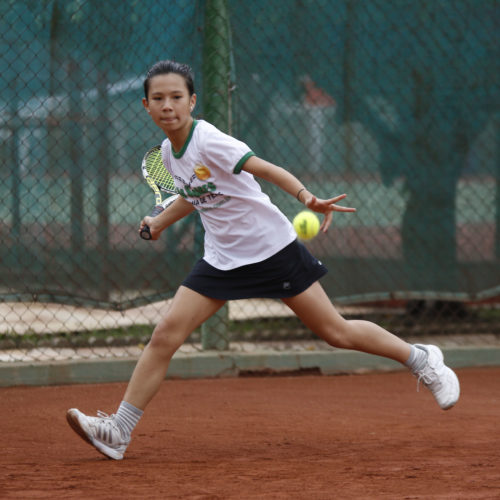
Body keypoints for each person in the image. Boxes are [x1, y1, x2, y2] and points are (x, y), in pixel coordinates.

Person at [66, 60, 460, 460]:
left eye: (176, 97)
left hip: (272, 251)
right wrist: (160, 222)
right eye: (159, 98)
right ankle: (119, 430)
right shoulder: (168, 153)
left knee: (336, 332)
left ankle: (422, 359)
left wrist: (307, 198)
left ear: (192, 101)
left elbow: (267, 169)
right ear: (146, 106)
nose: (168, 105)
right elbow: (193, 193)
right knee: (165, 334)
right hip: (221, 260)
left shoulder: (210, 141)